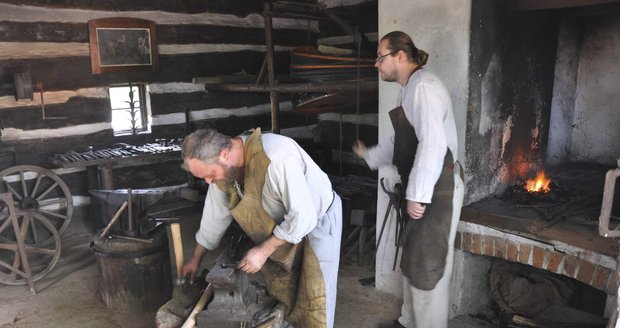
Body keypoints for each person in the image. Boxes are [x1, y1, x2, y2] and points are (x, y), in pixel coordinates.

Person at [353, 31, 464, 328]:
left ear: (400, 56)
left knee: (428, 266)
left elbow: (432, 144)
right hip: (429, 187)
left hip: (439, 188)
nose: (376, 64)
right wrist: (370, 156)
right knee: (414, 261)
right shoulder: (410, 88)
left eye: (380, 57)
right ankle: (408, 322)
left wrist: (418, 193)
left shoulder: (424, 88)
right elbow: (399, 141)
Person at [181, 128, 342, 328]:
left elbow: (304, 217)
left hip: (316, 222)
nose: (208, 181)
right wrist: (196, 258)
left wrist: (264, 249)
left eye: (210, 174)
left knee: (316, 294)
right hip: (282, 225)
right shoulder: (222, 172)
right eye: (203, 177)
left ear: (224, 154)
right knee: (287, 289)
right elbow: (213, 218)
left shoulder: (277, 158)